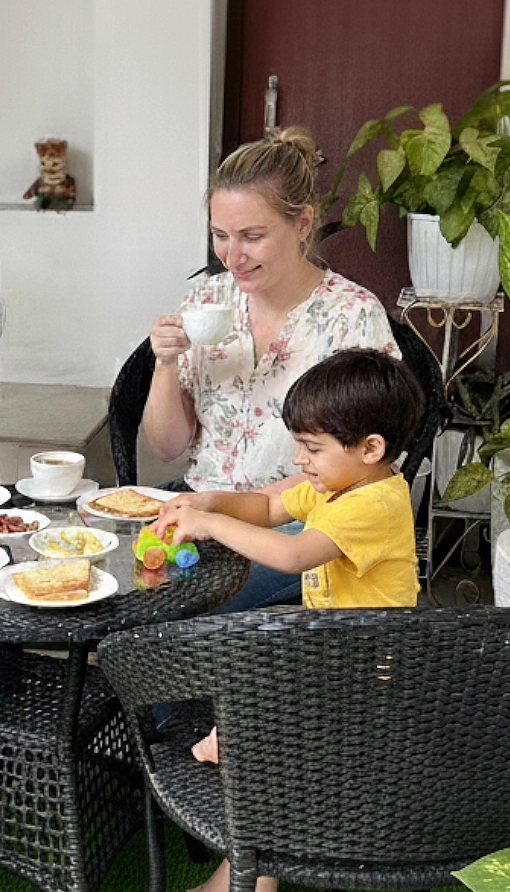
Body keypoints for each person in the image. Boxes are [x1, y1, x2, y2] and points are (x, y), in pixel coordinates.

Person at [151, 348, 425, 892]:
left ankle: (258, 867)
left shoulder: (376, 502)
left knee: (259, 733)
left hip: (363, 675)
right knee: (248, 678)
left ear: (371, 449)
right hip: (328, 652)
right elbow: (271, 506)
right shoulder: (335, 485)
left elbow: (296, 553)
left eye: (313, 448)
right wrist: (209, 500)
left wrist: (212, 525)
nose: (300, 460)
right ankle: (245, 817)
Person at [143, 126, 400, 612]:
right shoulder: (207, 300)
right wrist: (166, 362)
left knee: (169, 606)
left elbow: (365, 468)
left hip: (300, 526)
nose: (231, 256)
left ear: (303, 223)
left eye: (252, 236)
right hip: (206, 505)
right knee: (111, 578)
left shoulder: (352, 317)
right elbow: (167, 447)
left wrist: (230, 519)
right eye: (220, 235)